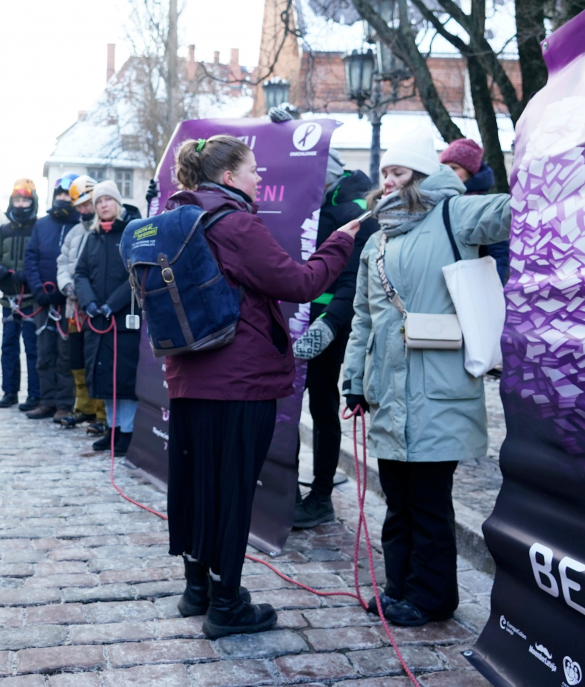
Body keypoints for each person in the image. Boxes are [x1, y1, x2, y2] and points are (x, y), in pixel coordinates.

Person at [163, 135, 360, 639]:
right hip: (238, 379)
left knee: (196, 484)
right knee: (231, 491)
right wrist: (342, 241)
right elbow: (298, 283)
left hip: (188, 377)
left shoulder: (174, 218)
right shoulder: (235, 222)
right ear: (228, 177)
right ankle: (226, 604)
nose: (260, 178)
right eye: (253, 170)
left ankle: (197, 590)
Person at [342, 130, 511, 627]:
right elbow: (363, 318)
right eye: (385, 174)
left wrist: (545, 170)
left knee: (429, 503)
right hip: (388, 392)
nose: (388, 181)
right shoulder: (376, 237)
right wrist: (354, 380)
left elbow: (508, 212)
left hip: (438, 387)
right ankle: (400, 589)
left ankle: (433, 597)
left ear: (420, 174)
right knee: (397, 502)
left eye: (398, 172)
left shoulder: (454, 214)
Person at [292, 153, 379, 528]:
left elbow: (355, 279)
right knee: (284, 410)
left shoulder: (356, 211)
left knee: (322, 408)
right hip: (292, 321)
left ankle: (321, 496)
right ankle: (284, 488)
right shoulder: (309, 202)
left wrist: (329, 323)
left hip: (327, 328)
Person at [74, 180, 141, 454]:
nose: (103, 205)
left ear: (117, 203)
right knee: (107, 381)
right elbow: (80, 273)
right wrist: (89, 303)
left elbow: (136, 272)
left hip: (123, 321)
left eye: (108, 200)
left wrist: (112, 305)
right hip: (97, 322)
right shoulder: (91, 238)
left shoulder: (131, 233)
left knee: (125, 382)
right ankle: (112, 432)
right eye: (99, 201)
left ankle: (128, 434)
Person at [23, 175, 80, 420]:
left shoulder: (80, 226)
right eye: (59, 195)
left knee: (64, 354)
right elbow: (31, 257)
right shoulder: (42, 224)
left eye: (67, 195)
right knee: (44, 352)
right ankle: (46, 401)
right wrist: (38, 290)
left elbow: (79, 262)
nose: (62, 199)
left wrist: (63, 290)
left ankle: (64, 404)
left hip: (66, 300)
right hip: (43, 299)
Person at [56, 175, 109, 435]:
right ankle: (85, 407)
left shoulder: (104, 231)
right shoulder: (74, 233)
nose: (84, 210)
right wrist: (67, 286)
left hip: (95, 308)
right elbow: (62, 264)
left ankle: (102, 414)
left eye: (87, 204)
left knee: (95, 360)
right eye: (80, 206)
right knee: (76, 358)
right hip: (73, 308)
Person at [0, 179, 40, 410]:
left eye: (25, 200)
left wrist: (30, 275)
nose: (21, 205)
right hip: (9, 299)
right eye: (17, 200)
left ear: (32, 202)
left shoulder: (39, 227)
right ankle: (9, 392)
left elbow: (42, 257)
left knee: (32, 348)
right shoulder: (4, 229)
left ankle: (34, 395)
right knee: (8, 347)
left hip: (32, 300)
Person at [439, 138, 509, 285]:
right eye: (444, 167)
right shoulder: (435, 202)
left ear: (470, 172)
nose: (448, 172)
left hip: (472, 287)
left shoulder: (484, 206)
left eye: (454, 168)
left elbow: (499, 255)